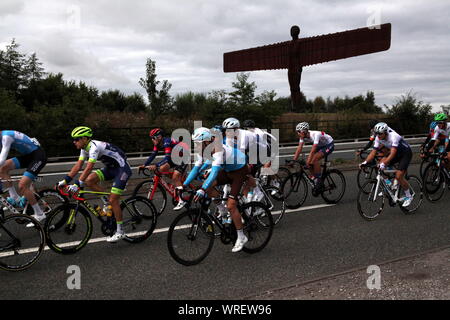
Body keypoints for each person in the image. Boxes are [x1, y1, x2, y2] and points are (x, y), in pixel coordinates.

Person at [178, 127, 250, 253]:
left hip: (239, 171)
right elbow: (196, 169)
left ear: (206, 141)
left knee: (231, 205)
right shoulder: (203, 150)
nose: (196, 146)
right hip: (227, 170)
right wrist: (184, 185)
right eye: (195, 143)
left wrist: (203, 189)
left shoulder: (217, 148)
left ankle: (241, 236)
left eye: (198, 143)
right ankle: (222, 210)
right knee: (207, 187)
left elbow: (215, 171)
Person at [58, 126, 132, 243]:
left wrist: (77, 184)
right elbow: (78, 165)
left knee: (114, 200)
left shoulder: (94, 147)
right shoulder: (84, 148)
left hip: (122, 169)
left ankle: (120, 231)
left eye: (76, 139)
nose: (74, 142)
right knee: (89, 181)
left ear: (84, 139)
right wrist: (65, 181)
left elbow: (89, 167)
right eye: (74, 139)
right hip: (111, 168)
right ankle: (106, 201)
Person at [360, 122, 414, 207]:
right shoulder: (378, 137)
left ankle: (409, 196)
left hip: (405, 153)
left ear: (386, 132)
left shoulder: (393, 136)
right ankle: (388, 184)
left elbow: (392, 154)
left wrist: (384, 163)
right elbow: (373, 152)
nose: (378, 135)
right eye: (377, 133)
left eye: (380, 134)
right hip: (396, 153)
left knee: (399, 176)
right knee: (380, 164)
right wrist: (365, 162)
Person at [0, 130, 47, 223]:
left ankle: (39, 213)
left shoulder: (6, 137)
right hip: (29, 156)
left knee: (22, 185)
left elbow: (2, 158)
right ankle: (15, 198)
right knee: (2, 169)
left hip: (38, 156)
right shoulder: (2, 136)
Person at [139, 128, 188, 204]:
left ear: (159, 137)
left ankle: (181, 199)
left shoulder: (167, 142)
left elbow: (167, 158)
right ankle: (176, 183)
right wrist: (144, 165)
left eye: (153, 138)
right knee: (161, 169)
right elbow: (153, 155)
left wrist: (156, 165)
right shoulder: (158, 144)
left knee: (174, 176)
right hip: (175, 157)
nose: (152, 140)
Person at [292, 122, 334, 190]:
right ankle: (314, 178)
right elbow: (299, 148)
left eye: (299, 132)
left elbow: (313, 150)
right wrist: (293, 160)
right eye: (297, 132)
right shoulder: (302, 136)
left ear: (304, 131)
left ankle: (319, 180)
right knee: (308, 162)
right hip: (320, 145)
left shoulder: (315, 134)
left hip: (328, 144)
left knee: (315, 159)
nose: (298, 134)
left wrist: (308, 161)